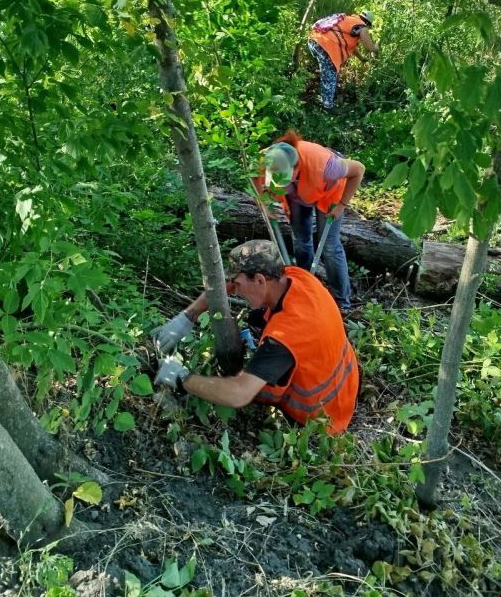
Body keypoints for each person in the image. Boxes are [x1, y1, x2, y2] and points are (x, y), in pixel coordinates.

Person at [153, 239, 360, 435]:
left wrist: (182, 379)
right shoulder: (296, 277)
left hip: (321, 418)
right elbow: (232, 283)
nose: (236, 291)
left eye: (239, 284)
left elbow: (239, 394)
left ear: (260, 280)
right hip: (345, 387)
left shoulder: (285, 337)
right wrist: (188, 316)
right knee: (256, 316)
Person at [255, 131, 364, 313]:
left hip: (329, 193)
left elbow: (359, 169)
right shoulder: (265, 158)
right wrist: (263, 203)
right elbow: (252, 175)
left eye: (283, 179)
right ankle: (304, 284)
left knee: (329, 246)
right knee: (300, 240)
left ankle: (342, 302)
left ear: (295, 169)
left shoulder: (329, 167)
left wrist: (341, 205)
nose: (277, 185)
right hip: (299, 196)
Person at [307, 10, 379, 110]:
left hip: (313, 40)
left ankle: (323, 99)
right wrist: (376, 48)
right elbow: (369, 48)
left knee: (326, 73)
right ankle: (327, 107)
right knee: (330, 76)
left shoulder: (348, 19)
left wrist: (361, 58)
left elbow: (352, 46)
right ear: (368, 23)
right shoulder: (362, 27)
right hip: (326, 46)